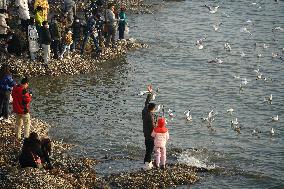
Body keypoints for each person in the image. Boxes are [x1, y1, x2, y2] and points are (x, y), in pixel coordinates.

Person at [142, 85, 156, 170]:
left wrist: (150, 93)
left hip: (146, 133)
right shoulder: (150, 117)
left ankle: (147, 163)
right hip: (150, 136)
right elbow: (153, 127)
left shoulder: (144, 111)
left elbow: (146, 103)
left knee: (148, 149)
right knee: (149, 150)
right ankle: (147, 165)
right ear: (153, 109)